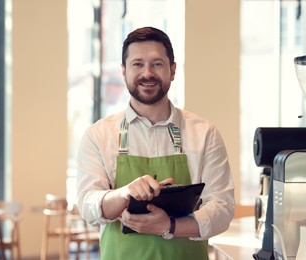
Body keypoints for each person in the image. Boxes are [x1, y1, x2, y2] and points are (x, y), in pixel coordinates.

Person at [77, 26, 235, 260]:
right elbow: (88, 205)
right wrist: (124, 194)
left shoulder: (205, 133)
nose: (147, 73)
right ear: (124, 71)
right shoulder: (98, 135)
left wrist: (169, 226)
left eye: (157, 64)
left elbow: (222, 208)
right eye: (137, 64)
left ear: (172, 71)